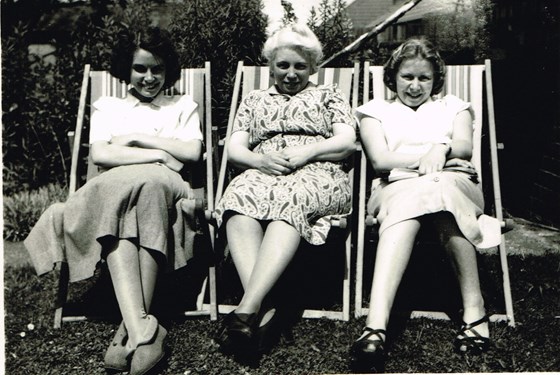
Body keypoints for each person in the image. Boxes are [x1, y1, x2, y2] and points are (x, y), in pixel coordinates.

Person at [24, 26, 203, 375]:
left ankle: (131, 330)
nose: (149, 77)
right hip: (121, 186)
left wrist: (135, 139)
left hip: (165, 185)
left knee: (149, 187)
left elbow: (192, 152)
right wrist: (163, 156)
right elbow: (103, 155)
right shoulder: (107, 105)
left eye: (157, 69)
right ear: (127, 69)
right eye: (141, 69)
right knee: (136, 197)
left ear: (168, 71)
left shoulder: (182, 104)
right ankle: (141, 329)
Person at [350, 37, 501, 372]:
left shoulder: (455, 106)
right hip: (396, 188)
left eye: (424, 78)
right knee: (433, 193)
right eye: (407, 77)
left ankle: (375, 326)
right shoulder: (374, 111)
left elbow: (464, 147)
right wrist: (434, 157)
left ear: (436, 80)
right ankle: (474, 311)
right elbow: (379, 161)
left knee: (441, 191)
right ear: (393, 76)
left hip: (454, 186)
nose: (415, 86)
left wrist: (442, 149)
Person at [213, 23, 357, 356]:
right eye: (283, 65)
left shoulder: (328, 95)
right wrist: (258, 161)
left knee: (291, 200)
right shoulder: (254, 99)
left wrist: (307, 152)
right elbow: (235, 148)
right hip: (264, 169)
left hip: (318, 171)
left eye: (300, 66)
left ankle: (247, 307)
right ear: (271, 65)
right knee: (236, 199)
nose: (291, 74)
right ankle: (264, 308)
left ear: (313, 67)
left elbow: (346, 141)